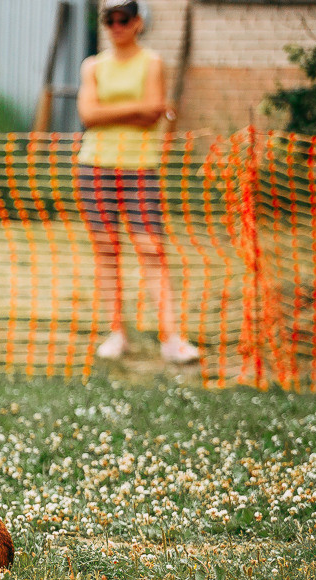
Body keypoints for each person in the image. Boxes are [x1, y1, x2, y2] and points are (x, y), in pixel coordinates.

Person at [76, 0, 200, 364]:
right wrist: (135, 110)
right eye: (110, 20)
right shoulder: (92, 65)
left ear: (137, 23)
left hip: (139, 167)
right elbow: (88, 114)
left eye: (123, 19)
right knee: (107, 250)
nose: (116, 26)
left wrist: (109, 112)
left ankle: (171, 337)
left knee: (150, 249)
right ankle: (117, 332)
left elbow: (152, 113)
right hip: (95, 166)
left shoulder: (152, 63)